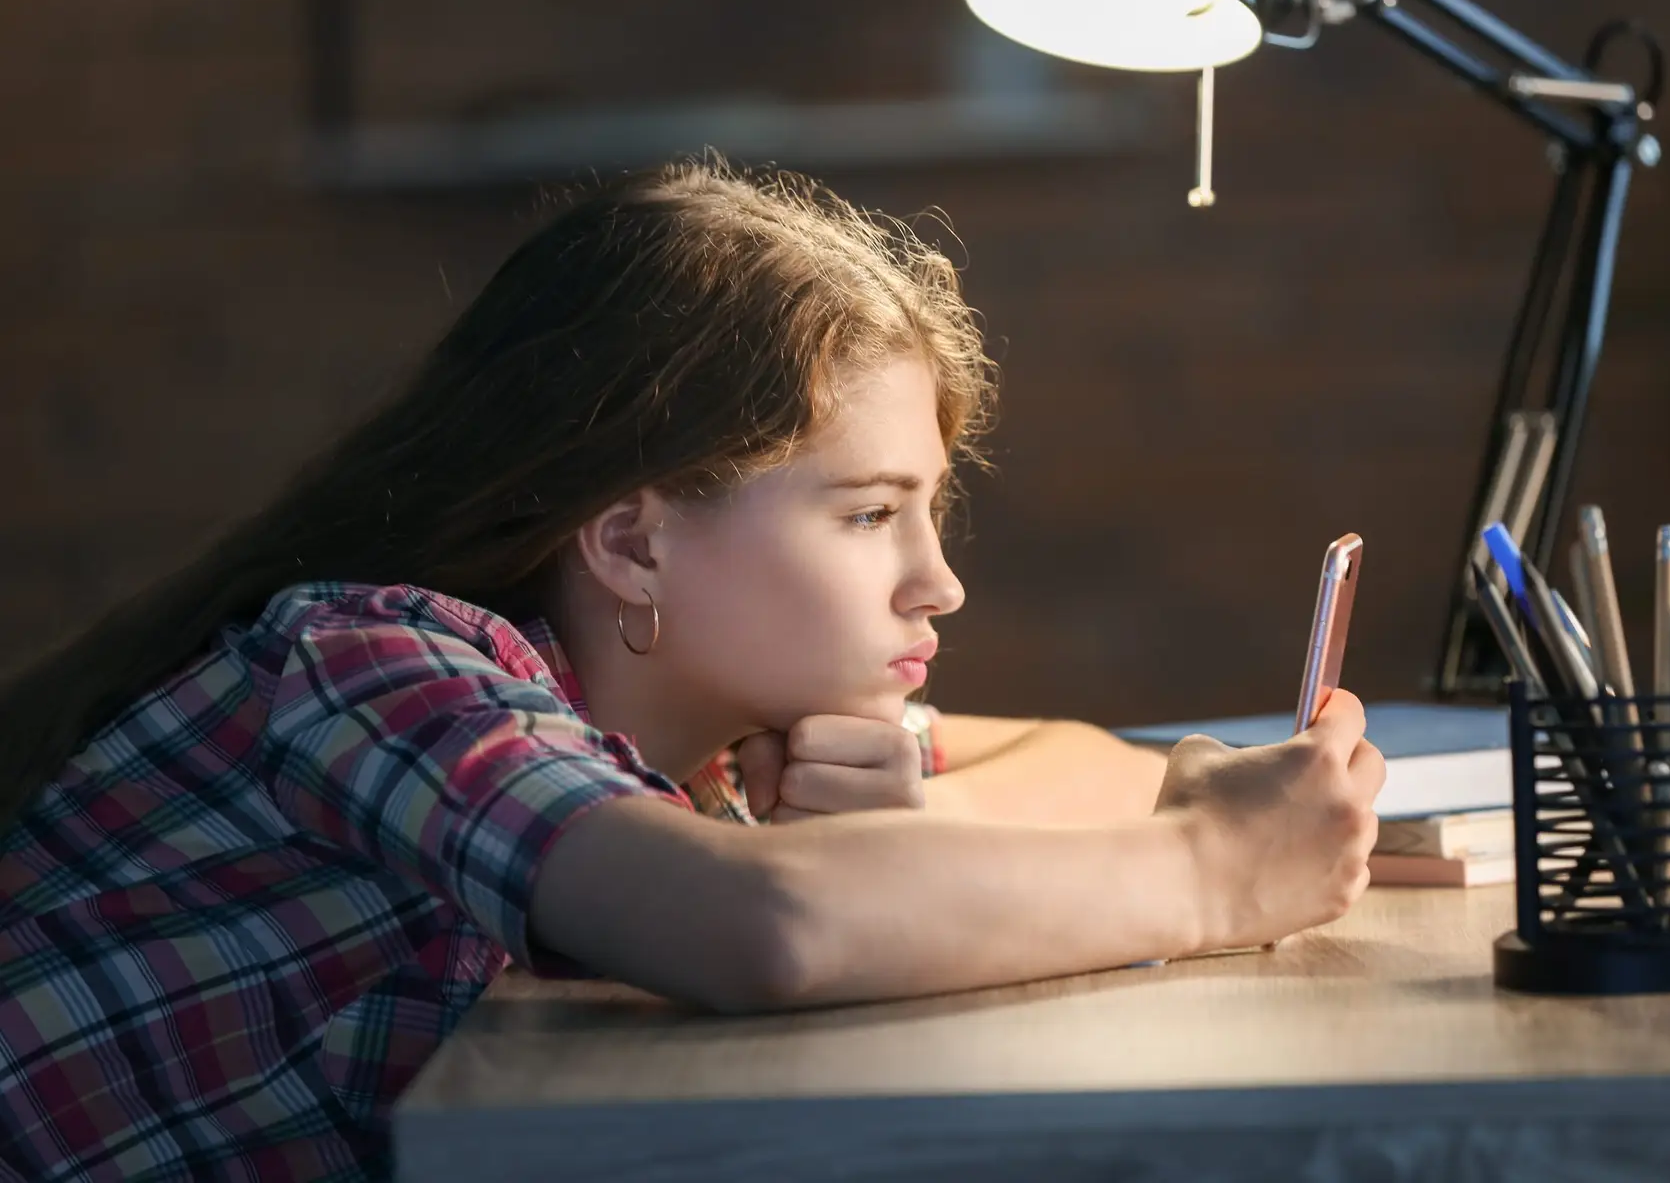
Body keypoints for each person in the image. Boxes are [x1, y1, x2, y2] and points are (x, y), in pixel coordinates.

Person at [0, 159, 1384, 1181]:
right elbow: (763, 933)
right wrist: (1214, 871)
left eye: (931, 509)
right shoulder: (377, 666)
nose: (938, 580)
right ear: (632, 544)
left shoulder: (698, 745)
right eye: (866, 514)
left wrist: (901, 837)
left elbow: (1085, 756)